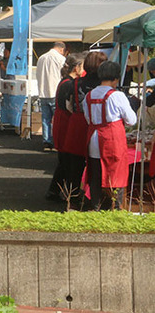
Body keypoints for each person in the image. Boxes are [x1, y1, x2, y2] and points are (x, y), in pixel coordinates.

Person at [83, 60, 137, 210]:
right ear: (115, 78)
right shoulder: (117, 96)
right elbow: (131, 120)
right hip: (111, 138)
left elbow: (88, 119)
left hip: (93, 137)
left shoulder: (89, 95)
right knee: (115, 174)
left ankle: (95, 205)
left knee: (95, 173)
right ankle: (115, 207)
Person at [59, 50, 107, 209]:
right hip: (94, 124)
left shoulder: (75, 82)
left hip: (76, 122)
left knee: (75, 164)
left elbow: (68, 104)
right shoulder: (102, 85)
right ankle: (95, 200)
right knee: (96, 164)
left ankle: (70, 200)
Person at [47, 52, 84, 203]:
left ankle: (55, 190)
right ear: (76, 68)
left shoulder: (65, 81)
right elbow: (70, 106)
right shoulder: (69, 83)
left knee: (64, 161)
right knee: (66, 161)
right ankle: (60, 191)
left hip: (61, 120)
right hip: (65, 122)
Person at [36, 42, 67, 151]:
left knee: (45, 119)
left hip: (43, 92)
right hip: (55, 92)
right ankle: (58, 141)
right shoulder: (60, 59)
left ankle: (46, 141)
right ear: (62, 49)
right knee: (57, 119)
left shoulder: (41, 58)